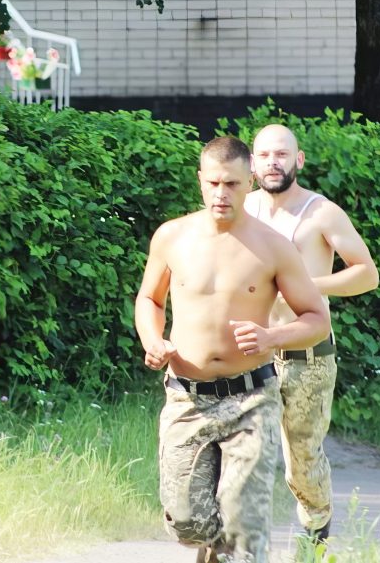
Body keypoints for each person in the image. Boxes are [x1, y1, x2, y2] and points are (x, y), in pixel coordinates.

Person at [135, 136, 330, 563]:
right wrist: (153, 340)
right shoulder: (172, 237)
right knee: (186, 522)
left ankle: (235, 550)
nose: (221, 194)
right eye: (214, 183)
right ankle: (218, 546)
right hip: (187, 398)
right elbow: (149, 299)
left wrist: (272, 338)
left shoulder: (273, 247)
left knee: (243, 530)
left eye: (233, 184)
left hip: (252, 399)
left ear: (251, 182)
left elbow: (317, 319)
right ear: (200, 181)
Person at [245, 124, 379, 543]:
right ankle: (237, 540)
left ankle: (316, 530)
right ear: (252, 164)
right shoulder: (242, 209)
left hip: (308, 357)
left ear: (298, 160)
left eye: (282, 154)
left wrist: (305, 285)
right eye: (264, 155)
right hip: (254, 353)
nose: (273, 163)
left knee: (300, 462)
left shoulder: (322, 213)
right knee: (244, 451)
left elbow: (367, 274)